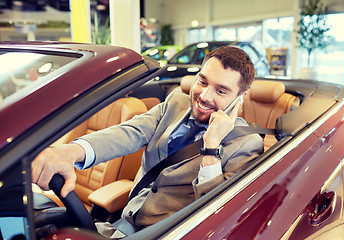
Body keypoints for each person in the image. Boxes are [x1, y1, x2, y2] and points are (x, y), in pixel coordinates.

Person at [32, 46, 264, 237]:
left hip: (167, 233)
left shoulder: (247, 145)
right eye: (202, 82)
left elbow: (215, 212)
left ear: (240, 98)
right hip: (127, 220)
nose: (204, 96)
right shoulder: (174, 103)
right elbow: (128, 133)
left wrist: (211, 147)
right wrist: (71, 151)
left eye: (221, 91)